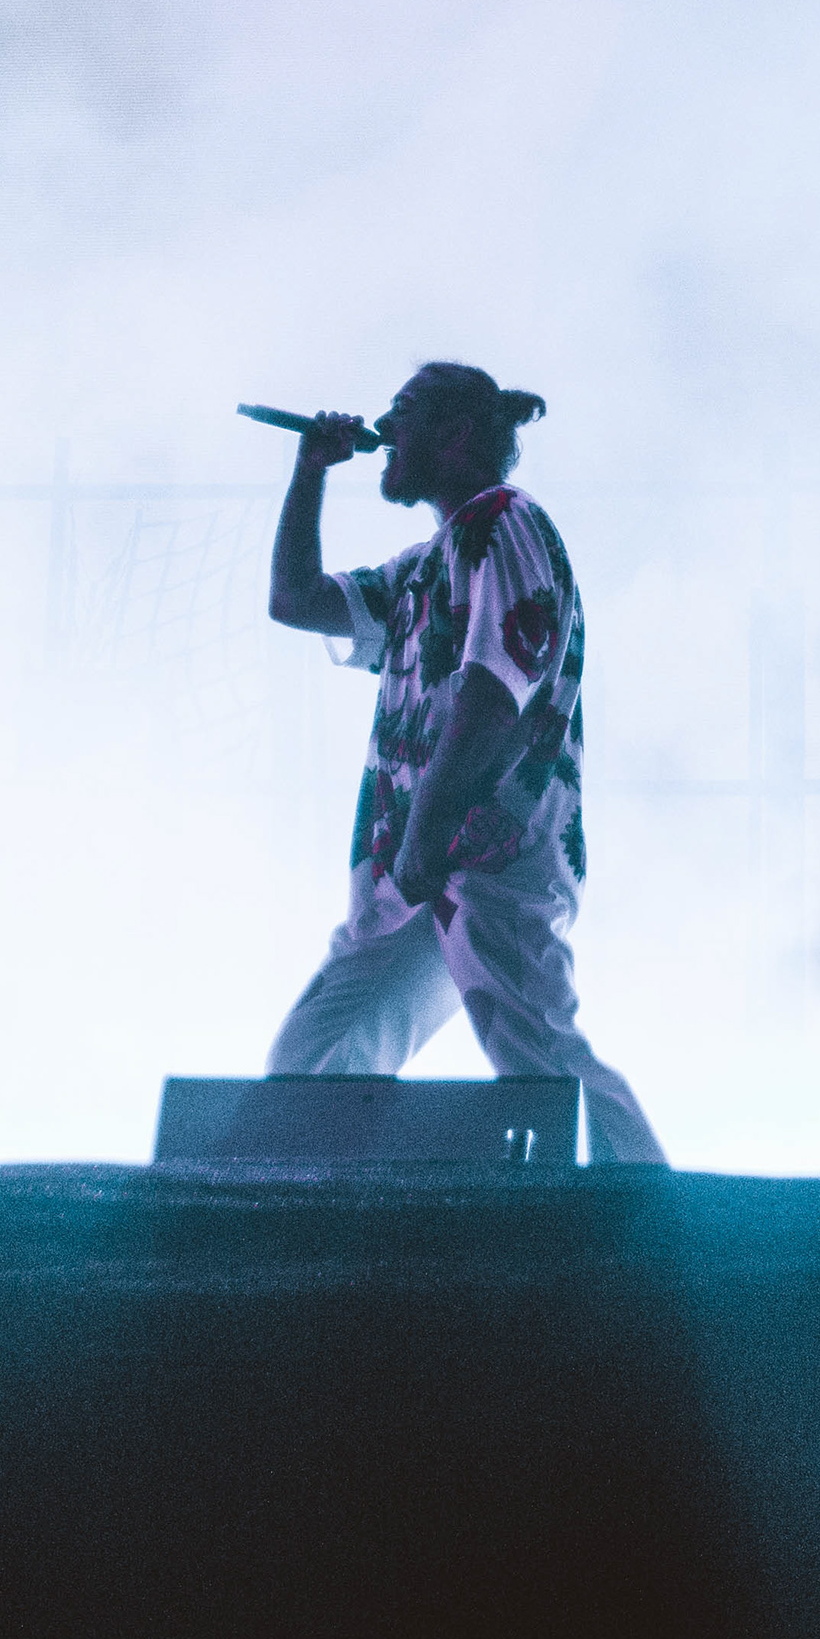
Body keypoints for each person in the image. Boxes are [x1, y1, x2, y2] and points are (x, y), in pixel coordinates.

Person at [260, 361, 666, 1165]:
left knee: (537, 1051)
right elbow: (294, 599)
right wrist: (310, 472)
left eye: (403, 409)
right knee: (310, 1064)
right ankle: (313, 1225)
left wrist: (426, 828)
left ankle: (649, 1210)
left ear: (455, 432)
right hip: (414, 871)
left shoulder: (502, 522)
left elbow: (494, 687)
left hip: (485, 853)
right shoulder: (422, 567)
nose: (384, 426)